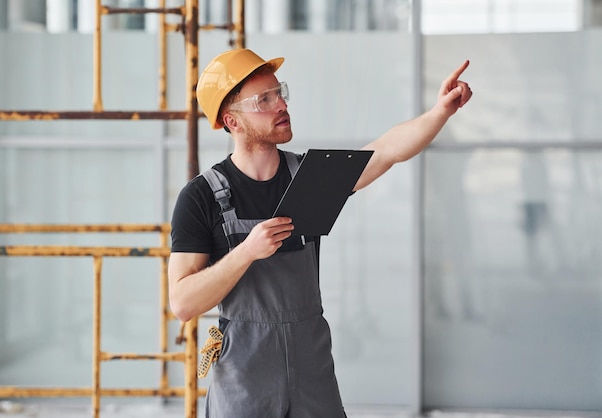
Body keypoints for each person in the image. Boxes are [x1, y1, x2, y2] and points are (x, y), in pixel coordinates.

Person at [168, 48, 472, 418]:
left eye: (280, 93)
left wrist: (440, 112)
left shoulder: (309, 178)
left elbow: (386, 152)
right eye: (264, 99)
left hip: (311, 367)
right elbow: (183, 303)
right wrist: (246, 252)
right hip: (245, 376)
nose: (281, 104)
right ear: (232, 121)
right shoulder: (202, 197)